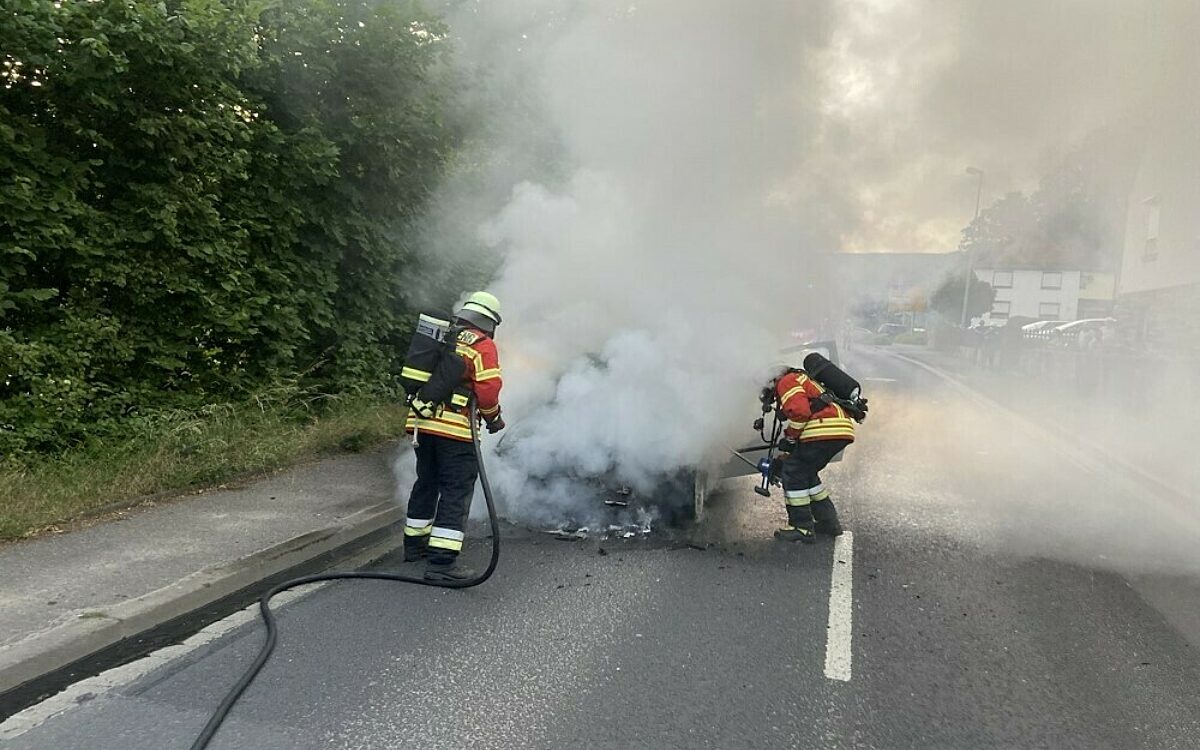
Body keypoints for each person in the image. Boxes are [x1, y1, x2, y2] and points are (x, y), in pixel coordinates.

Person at [403, 291, 505, 581]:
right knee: (455, 491)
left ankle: (414, 547)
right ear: (490, 322)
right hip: (455, 432)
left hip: (421, 425)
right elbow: (488, 390)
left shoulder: (443, 336)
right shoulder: (482, 345)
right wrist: (494, 418)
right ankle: (442, 564)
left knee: (427, 483)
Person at [771, 366, 855, 543]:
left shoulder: (786, 381)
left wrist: (790, 438)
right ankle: (828, 522)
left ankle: (802, 528)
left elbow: (800, 413)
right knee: (807, 474)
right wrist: (788, 452)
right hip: (839, 429)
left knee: (793, 473)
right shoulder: (804, 380)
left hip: (823, 430)